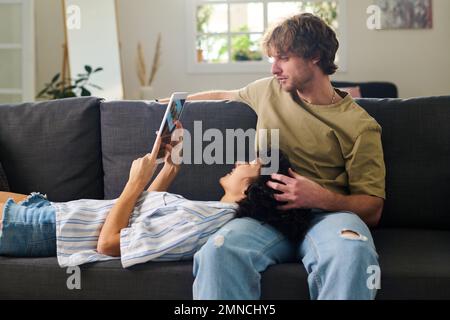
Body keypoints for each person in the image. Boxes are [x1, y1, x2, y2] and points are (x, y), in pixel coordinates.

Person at [182, 13, 386, 300]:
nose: (274, 68)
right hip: (265, 217)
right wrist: (169, 106)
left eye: (283, 58)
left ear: (315, 55)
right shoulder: (268, 90)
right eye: (272, 59)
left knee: (353, 252)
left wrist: (319, 197)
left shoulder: (360, 126)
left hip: (329, 217)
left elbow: (373, 209)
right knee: (218, 250)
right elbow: (222, 94)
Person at [0, 123, 312, 269]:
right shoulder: (212, 212)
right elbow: (141, 216)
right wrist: (171, 166)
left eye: (250, 165)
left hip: (44, 227)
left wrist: (135, 183)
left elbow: (109, 244)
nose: (241, 161)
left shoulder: (204, 222)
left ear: (249, 190)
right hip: (49, 211)